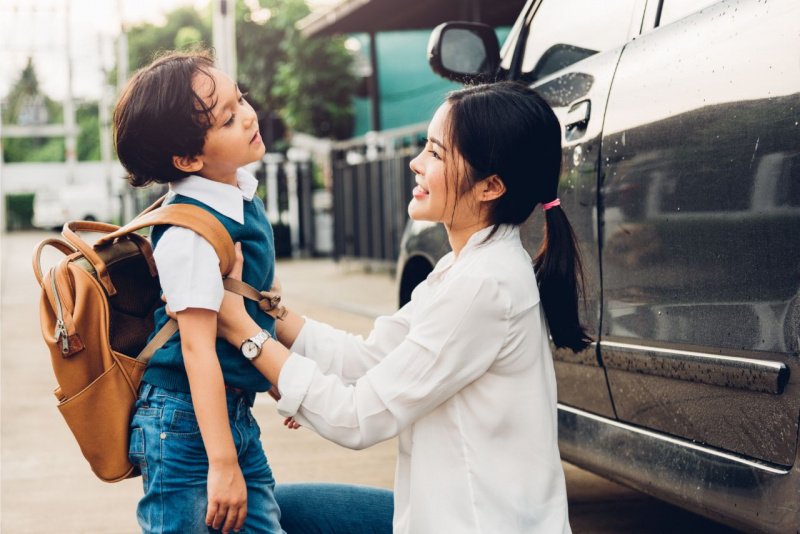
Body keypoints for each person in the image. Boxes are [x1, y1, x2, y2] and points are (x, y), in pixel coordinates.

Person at [213, 81, 590, 533]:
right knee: (276, 507)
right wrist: (268, 310)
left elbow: (358, 418)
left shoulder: (484, 286)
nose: (415, 163)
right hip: (441, 515)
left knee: (245, 515)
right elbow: (369, 356)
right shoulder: (464, 267)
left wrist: (243, 333)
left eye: (435, 153)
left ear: (490, 186)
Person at [114, 50, 284, 534]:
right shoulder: (190, 232)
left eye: (241, 98)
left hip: (225, 415)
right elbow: (196, 347)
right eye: (229, 118)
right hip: (185, 425)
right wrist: (223, 463)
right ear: (188, 159)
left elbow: (251, 304)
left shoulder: (238, 196)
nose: (249, 114)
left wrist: (275, 377)